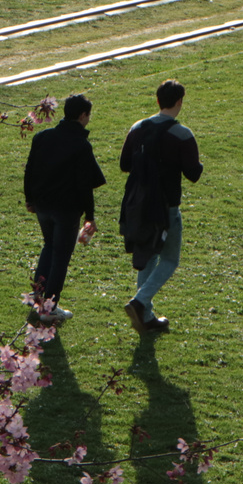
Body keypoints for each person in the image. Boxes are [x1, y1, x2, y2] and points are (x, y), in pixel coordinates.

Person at [120, 80, 203, 333]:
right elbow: (194, 174)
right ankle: (140, 302)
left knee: (147, 258)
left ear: (157, 100)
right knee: (169, 259)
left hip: (138, 204)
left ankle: (146, 316)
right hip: (166, 206)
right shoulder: (182, 134)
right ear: (179, 102)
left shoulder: (137, 128)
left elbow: (124, 164)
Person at [24, 93, 107, 322]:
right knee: (61, 256)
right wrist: (89, 216)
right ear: (82, 116)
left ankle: (38, 296)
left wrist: (30, 199)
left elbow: (29, 170)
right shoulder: (81, 145)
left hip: (42, 204)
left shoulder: (42, 137)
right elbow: (85, 185)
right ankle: (49, 308)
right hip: (66, 210)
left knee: (49, 247)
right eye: (88, 115)